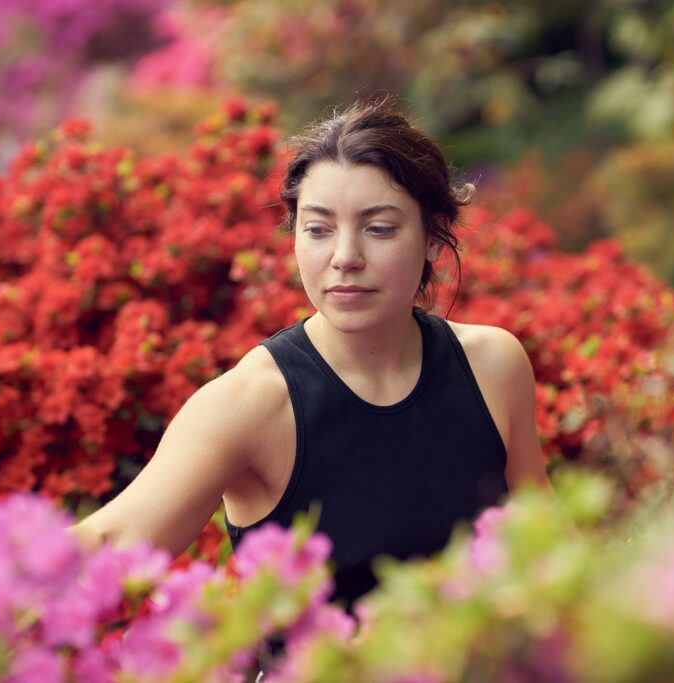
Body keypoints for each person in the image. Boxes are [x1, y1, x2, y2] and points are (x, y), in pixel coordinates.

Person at [72, 97, 550, 614]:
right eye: (318, 229)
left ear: (434, 238)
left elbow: (548, 554)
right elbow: (113, 541)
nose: (345, 258)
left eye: (380, 228)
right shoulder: (252, 402)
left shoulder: (492, 366)